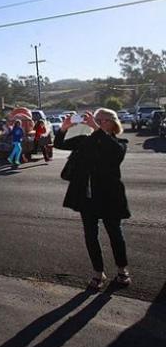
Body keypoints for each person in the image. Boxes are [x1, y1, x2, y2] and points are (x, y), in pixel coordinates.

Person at [54, 108, 131, 291]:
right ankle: (98, 272)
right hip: (87, 197)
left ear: (113, 123)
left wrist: (97, 129)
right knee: (90, 235)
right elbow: (59, 144)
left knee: (115, 235)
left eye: (103, 120)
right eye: (96, 119)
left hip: (110, 197)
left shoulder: (119, 143)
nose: (97, 122)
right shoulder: (85, 141)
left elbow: (114, 153)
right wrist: (64, 128)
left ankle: (122, 269)